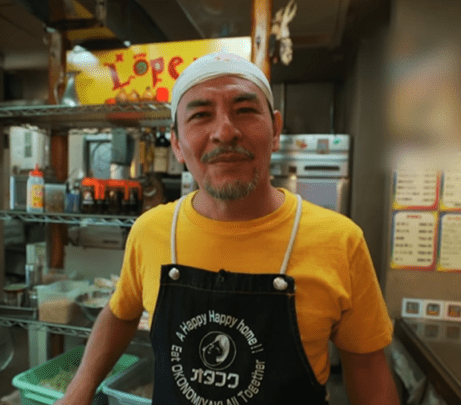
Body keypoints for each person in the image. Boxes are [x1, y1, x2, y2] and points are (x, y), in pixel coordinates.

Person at [56, 52, 399, 404]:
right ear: (176, 143)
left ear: (276, 128)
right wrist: (79, 390)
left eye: (245, 110)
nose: (224, 132)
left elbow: (369, 370)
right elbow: (119, 313)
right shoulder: (151, 230)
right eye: (201, 115)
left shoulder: (340, 241)